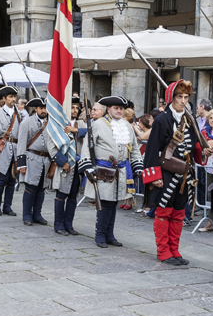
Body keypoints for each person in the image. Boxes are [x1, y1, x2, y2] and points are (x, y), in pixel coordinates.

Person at [142, 80, 206, 266]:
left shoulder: (189, 118)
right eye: (179, 97)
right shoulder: (163, 120)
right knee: (163, 212)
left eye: (186, 97)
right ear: (172, 98)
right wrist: (154, 177)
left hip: (185, 173)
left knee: (178, 213)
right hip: (166, 172)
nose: (183, 101)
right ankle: (163, 251)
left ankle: (174, 250)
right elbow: (152, 149)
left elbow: (193, 144)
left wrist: (202, 151)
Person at [78, 96, 143, 248]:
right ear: (109, 109)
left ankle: (110, 235)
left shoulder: (127, 126)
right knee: (104, 204)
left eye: (121, 108)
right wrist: (88, 167)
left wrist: (137, 166)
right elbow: (87, 147)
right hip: (103, 171)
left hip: (120, 171)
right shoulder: (98, 124)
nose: (119, 111)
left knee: (113, 204)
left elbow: (133, 149)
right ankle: (100, 235)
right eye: (116, 108)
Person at [48, 96, 87, 235]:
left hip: (77, 164)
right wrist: (63, 162)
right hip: (64, 165)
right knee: (61, 195)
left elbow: (90, 133)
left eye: (77, 108)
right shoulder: (57, 123)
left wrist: (76, 131)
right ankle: (58, 225)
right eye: (72, 107)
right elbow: (51, 146)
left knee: (73, 196)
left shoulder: (81, 125)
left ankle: (69, 225)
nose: (75, 110)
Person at [16, 97, 51, 225]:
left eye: (45, 108)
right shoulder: (26, 122)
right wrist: (21, 164)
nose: (43, 111)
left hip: (45, 160)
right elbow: (21, 144)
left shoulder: (51, 122)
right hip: (31, 159)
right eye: (41, 108)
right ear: (36, 109)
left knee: (41, 189)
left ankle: (37, 214)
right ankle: (27, 215)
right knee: (30, 189)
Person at [0, 86, 21, 217]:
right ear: (4, 98)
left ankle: (7, 207)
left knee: (12, 181)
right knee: (1, 179)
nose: (13, 99)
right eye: (10, 97)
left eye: (14, 97)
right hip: (2, 149)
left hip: (15, 150)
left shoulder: (19, 115)